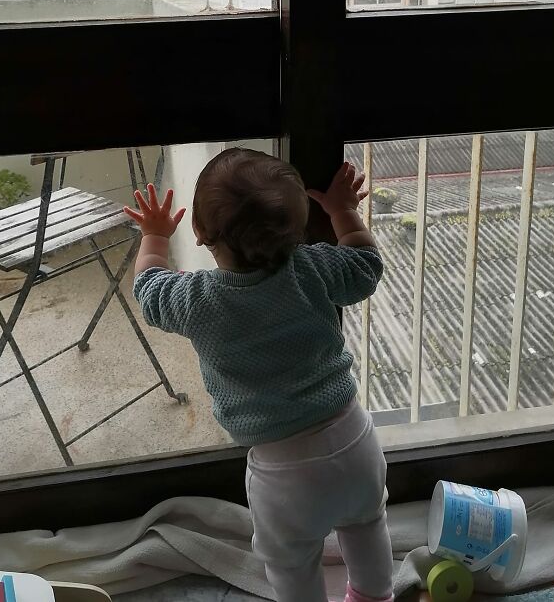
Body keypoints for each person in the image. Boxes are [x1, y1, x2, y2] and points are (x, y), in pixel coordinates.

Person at [124, 148, 393, 602]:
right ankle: (375, 595)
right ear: (300, 229)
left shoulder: (197, 300)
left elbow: (148, 289)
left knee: (291, 563)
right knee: (367, 524)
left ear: (200, 232)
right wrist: (344, 211)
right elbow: (367, 267)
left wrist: (154, 237)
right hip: (353, 439)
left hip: (283, 471)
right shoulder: (313, 268)